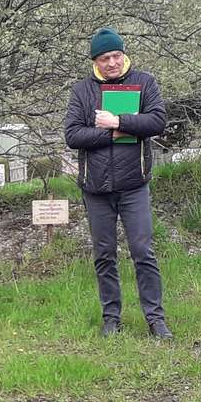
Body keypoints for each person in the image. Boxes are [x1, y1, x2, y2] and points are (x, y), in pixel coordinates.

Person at [64, 27, 172, 338]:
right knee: (104, 254)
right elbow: (72, 135)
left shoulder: (144, 82)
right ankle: (111, 318)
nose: (112, 62)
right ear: (95, 61)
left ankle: (156, 319)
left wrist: (120, 121)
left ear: (123, 55)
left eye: (116, 55)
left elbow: (157, 121)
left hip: (134, 184)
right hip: (95, 188)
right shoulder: (82, 91)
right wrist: (110, 132)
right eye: (104, 58)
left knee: (143, 251)